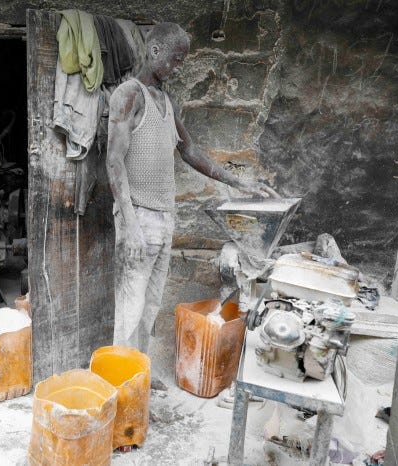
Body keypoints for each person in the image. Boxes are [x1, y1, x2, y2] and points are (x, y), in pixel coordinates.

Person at [106, 23, 279, 354]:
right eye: (177, 59)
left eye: (183, 61)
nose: (179, 67)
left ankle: (139, 369)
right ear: (155, 51)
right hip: (138, 216)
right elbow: (113, 162)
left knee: (150, 305)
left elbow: (190, 151)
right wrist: (129, 224)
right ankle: (122, 381)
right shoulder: (128, 95)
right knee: (129, 307)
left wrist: (240, 182)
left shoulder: (165, 101)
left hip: (164, 218)